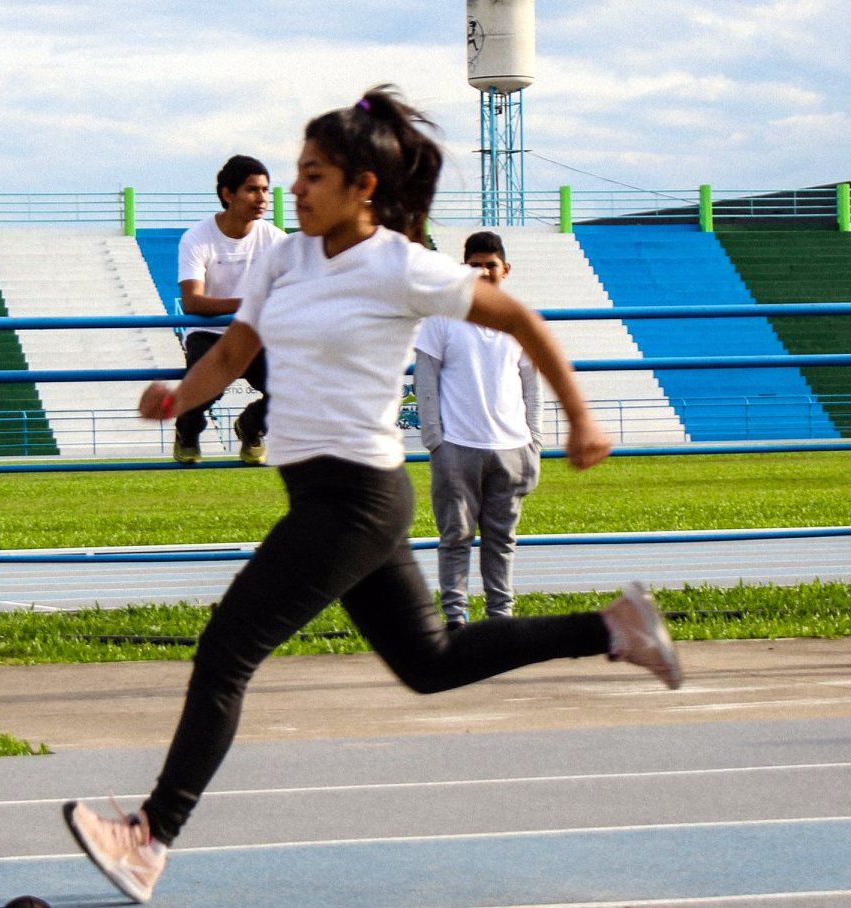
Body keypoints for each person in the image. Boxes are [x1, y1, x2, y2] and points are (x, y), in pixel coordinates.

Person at [62, 86, 682, 904]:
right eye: (294, 172)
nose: (295, 188)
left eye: (313, 174)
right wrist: (179, 396)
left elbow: (522, 322)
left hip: (353, 499)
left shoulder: (402, 265)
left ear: (362, 187)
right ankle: (612, 627)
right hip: (338, 499)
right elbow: (234, 350)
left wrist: (579, 419)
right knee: (430, 664)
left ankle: (151, 835)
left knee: (226, 650)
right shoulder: (283, 258)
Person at [415, 230, 542, 628]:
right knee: (455, 537)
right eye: (475, 265)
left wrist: (534, 439)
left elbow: (531, 383)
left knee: (502, 540)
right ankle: (456, 620)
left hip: (512, 446)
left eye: (491, 265)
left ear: (506, 269)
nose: (484, 272)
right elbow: (425, 380)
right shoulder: (441, 317)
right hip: (457, 446)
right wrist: (436, 440)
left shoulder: (520, 319)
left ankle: (500, 618)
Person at [173, 155, 286, 465]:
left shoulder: (275, 238)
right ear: (227, 194)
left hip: (255, 333)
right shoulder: (196, 237)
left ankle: (251, 429)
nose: (262, 198)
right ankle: (188, 431)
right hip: (208, 332)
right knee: (201, 392)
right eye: (252, 190)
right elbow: (193, 302)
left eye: (265, 189)